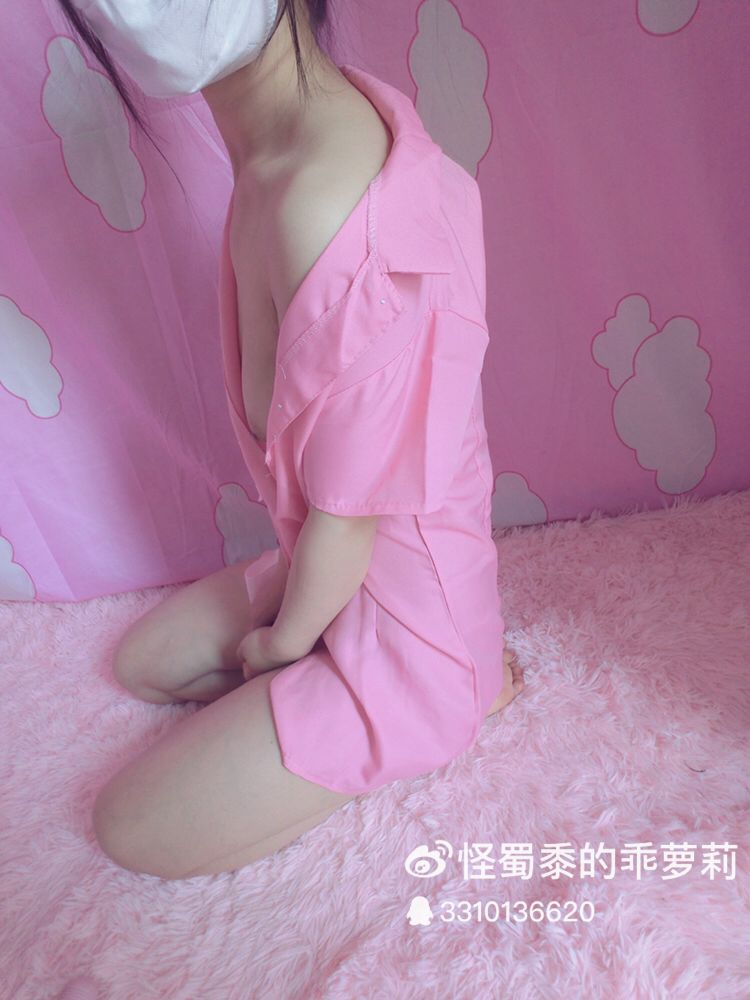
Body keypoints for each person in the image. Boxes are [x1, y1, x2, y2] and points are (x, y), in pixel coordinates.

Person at [58, 0, 525, 879]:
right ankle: (320, 696)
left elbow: (350, 523)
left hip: (400, 625)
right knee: (145, 663)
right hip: (325, 562)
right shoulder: (283, 143)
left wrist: (279, 646)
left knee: (130, 827)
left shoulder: (329, 202)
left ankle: (454, 695)